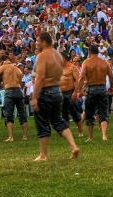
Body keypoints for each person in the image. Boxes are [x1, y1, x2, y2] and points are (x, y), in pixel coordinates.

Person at [31, 32, 80, 161]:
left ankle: (43, 155)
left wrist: (34, 97)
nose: (36, 43)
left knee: (42, 122)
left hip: (45, 91)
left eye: (37, 41)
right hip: (57, 91)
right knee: (58, 120)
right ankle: (73, 146)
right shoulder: (58, 55)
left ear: (44, 42)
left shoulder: (42, 56)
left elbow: (40, 77)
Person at [73, 45, 113, 141]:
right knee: (104, 112)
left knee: (89, 113)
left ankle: (90, 137)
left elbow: (82, 77)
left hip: (91, 88)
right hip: (102, 88)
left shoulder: (86, 62)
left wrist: (79, 90)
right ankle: (104, 135)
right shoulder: (104, 62)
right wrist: (112, 87)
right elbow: (111, 76)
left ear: (89, 53)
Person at [0, 55, 29, 142]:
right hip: (18, 90)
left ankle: (11, 137)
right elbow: (20, 81)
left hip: (9, 90)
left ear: (2, 61)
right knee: (22, 114)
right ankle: (25, 136)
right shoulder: (17, 69)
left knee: (8, 114)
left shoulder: (4, 67)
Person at [59, 55, 85, 137]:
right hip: (61, 92)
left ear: (63, 58)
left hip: (70, 92)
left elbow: (77, 80)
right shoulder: (58, 67)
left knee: (73, 112)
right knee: (64, 113)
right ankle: (66, 132)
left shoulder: (72, 67)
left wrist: (75, 92)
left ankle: (80, 131)